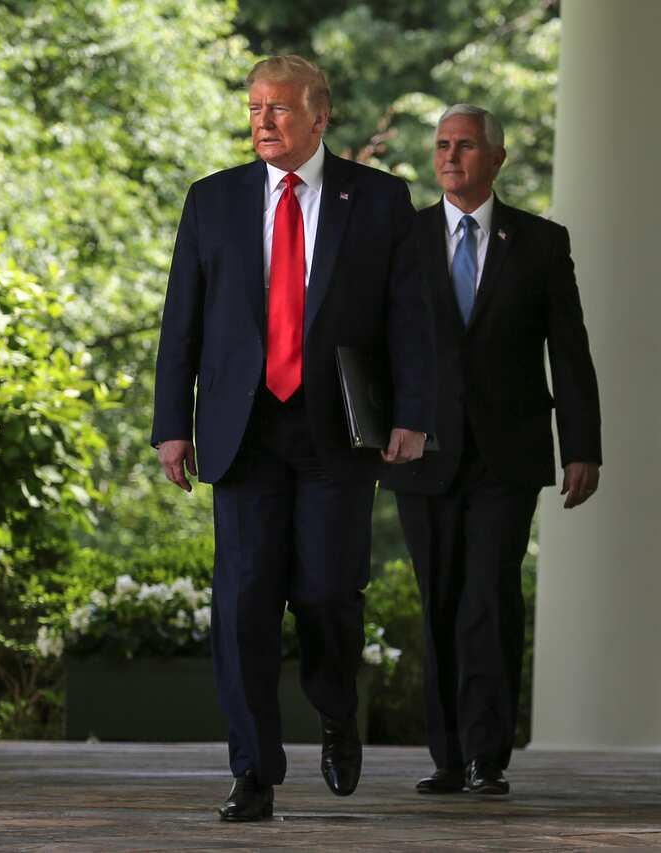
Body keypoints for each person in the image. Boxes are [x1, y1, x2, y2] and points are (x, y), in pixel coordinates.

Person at [151, 55, 434, 822]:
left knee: (325, 594)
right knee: (242, 603)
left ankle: (337, 709)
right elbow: (182, 323)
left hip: (336, 432)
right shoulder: (212, 201)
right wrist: (171, 425)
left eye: (279, 110)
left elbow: (409, 318)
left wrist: (411, 412)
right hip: (243, 431)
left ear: (319, 117)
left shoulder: (377, 200)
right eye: (254, 110)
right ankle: (254, 771)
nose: (264, 123)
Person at [379, 104, 602, 796]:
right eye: (443, 146)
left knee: (489, 598)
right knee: (438, 598)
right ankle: (446, 756)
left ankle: (487, 756)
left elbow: (569, 352)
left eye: (466, 146)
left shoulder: (540, 243)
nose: (450, 157)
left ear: (496, 158)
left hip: (508, 455)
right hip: (423, 451)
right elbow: (370, 343)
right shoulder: (402, 240)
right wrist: (380, 426)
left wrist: (582, 445)